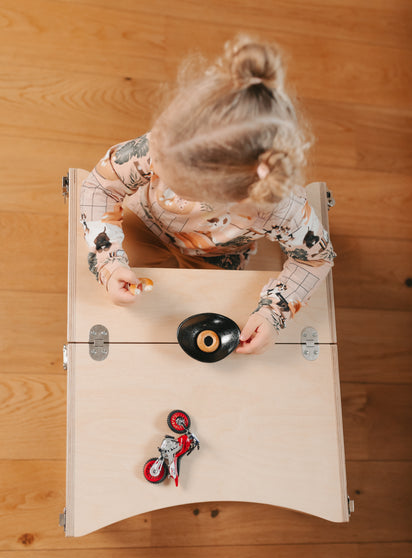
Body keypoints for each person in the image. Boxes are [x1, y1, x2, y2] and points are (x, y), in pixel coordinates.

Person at [80, 34, 336, 355]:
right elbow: (100, 187)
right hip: (144, 225)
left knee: (205, 338)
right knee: (119, 325)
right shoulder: (167, 144)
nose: (160, 169)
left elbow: (316, 259)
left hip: (216, 259)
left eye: (180, 184)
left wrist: (273, 313)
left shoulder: (278, 206)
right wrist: (109, 264)